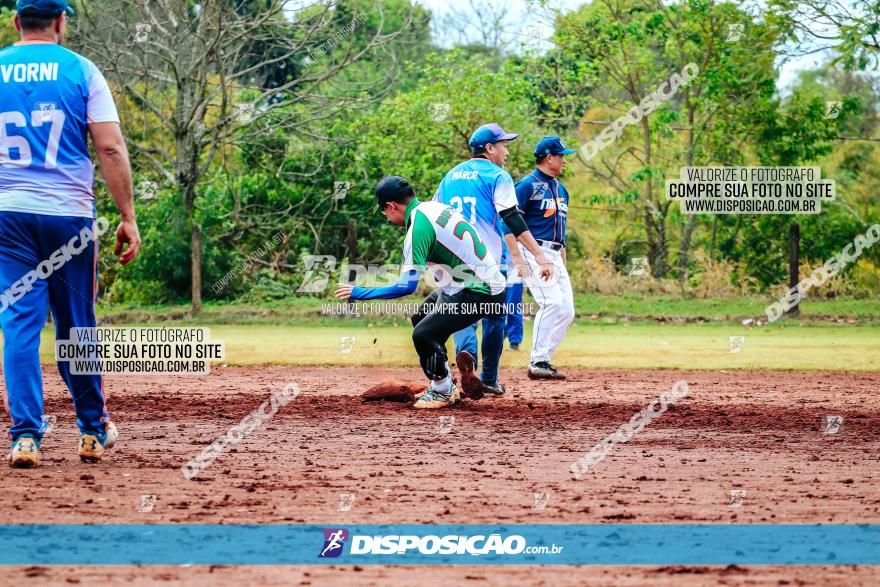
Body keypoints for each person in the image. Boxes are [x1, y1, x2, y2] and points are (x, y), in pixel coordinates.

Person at [0, 0, 141, 467]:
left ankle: (24, 437)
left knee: (18, 326)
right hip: (68, 218)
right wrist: (127, 217)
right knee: (76, 326)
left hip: (8, 216)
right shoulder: (83, 70)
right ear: (61, 21)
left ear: (17, 21)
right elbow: (109, 146)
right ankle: (91, 431)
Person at [335, 176, 506, 409]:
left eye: (384, 211)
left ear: (391, 206)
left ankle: (442, 390)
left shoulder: (418, 226)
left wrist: (360, 292)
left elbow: (407, 286)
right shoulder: (434, 207)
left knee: (423, 334)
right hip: (472, 283)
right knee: (420, 318)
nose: (386, 216)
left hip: (480, 291)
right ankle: (447, 382)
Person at [433, 123, 553, 396]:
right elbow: (511, 216)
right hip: (486, 259)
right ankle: (488, 378)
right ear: (489, 149)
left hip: (453, 259)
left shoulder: (449, 176)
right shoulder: (498, 175)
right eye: (504, 145)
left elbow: (434, 214)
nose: (506, 151)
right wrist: (538, 253)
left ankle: (467, 356)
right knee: (495, 318)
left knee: (462, 314)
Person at [508, 137, 575, 379]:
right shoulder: (527, 185)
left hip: (555, 253)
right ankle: (537, 361)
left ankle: (544, 359)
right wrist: (518, 258)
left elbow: (561, 232)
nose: (564, 160)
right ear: (549, 157)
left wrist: (562, 262)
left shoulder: (561, 189)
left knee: (567, 310)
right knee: (552, 302)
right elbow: (510, 223)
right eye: (561, 155)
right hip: (533, 249)